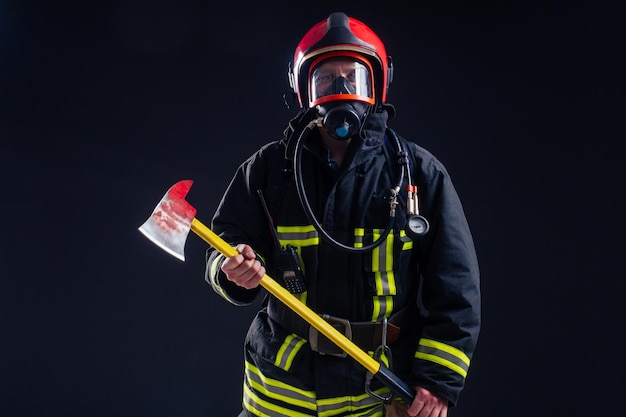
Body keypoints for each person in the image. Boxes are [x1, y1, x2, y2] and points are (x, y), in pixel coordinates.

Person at [205, 11, 480, 417]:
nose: (341, 88)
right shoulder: (268, 170)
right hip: (281, 396)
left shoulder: (418, 174)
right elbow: (223, 243)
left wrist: (437, 381)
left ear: (378, 85)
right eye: (325, 79)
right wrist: (234, 269)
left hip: (378, 393)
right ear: (304, 91)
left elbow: (457, 288)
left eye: (354, 77)